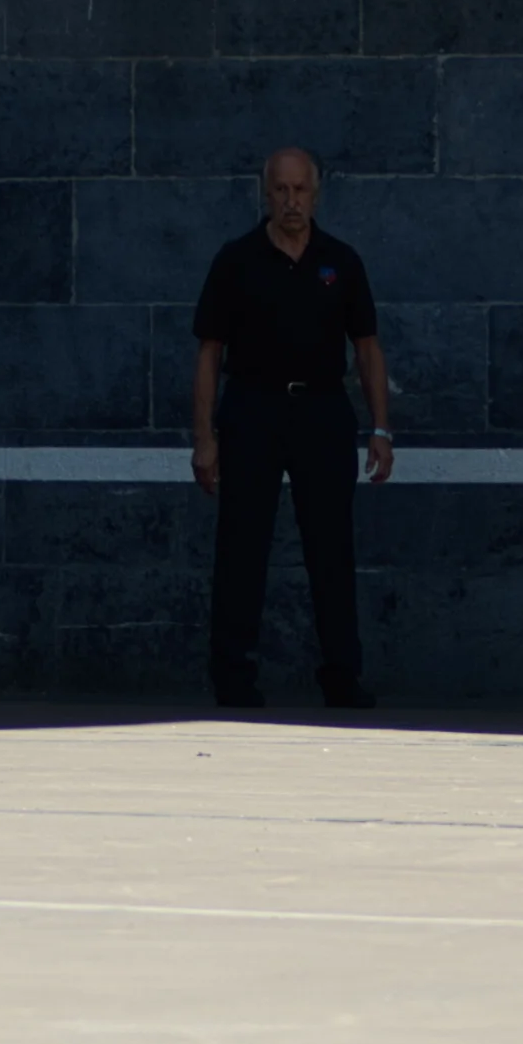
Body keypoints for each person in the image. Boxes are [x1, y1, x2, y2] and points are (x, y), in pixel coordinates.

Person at [188, 148, 395, 711]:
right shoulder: (236, 261)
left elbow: (367, 348)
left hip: (321, 412)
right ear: (266, 194)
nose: (291, 201)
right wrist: (204, 438)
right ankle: (233, 676)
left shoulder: (340, 262)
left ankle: (341, 676)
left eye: (300, 190)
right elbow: (209, 353)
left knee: (331, 547)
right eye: (281, 190)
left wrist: (381, 429)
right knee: (242, 545)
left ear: (316, 194)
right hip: (252, 409)